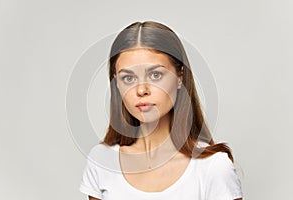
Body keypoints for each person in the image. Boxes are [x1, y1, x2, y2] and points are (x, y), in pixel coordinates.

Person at [79, 21, 243, 200]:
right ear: (116, 83)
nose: (141, 90)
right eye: (128, 78)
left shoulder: (213, 167)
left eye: (155, 75)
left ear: (180, 76)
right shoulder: (102, 161)